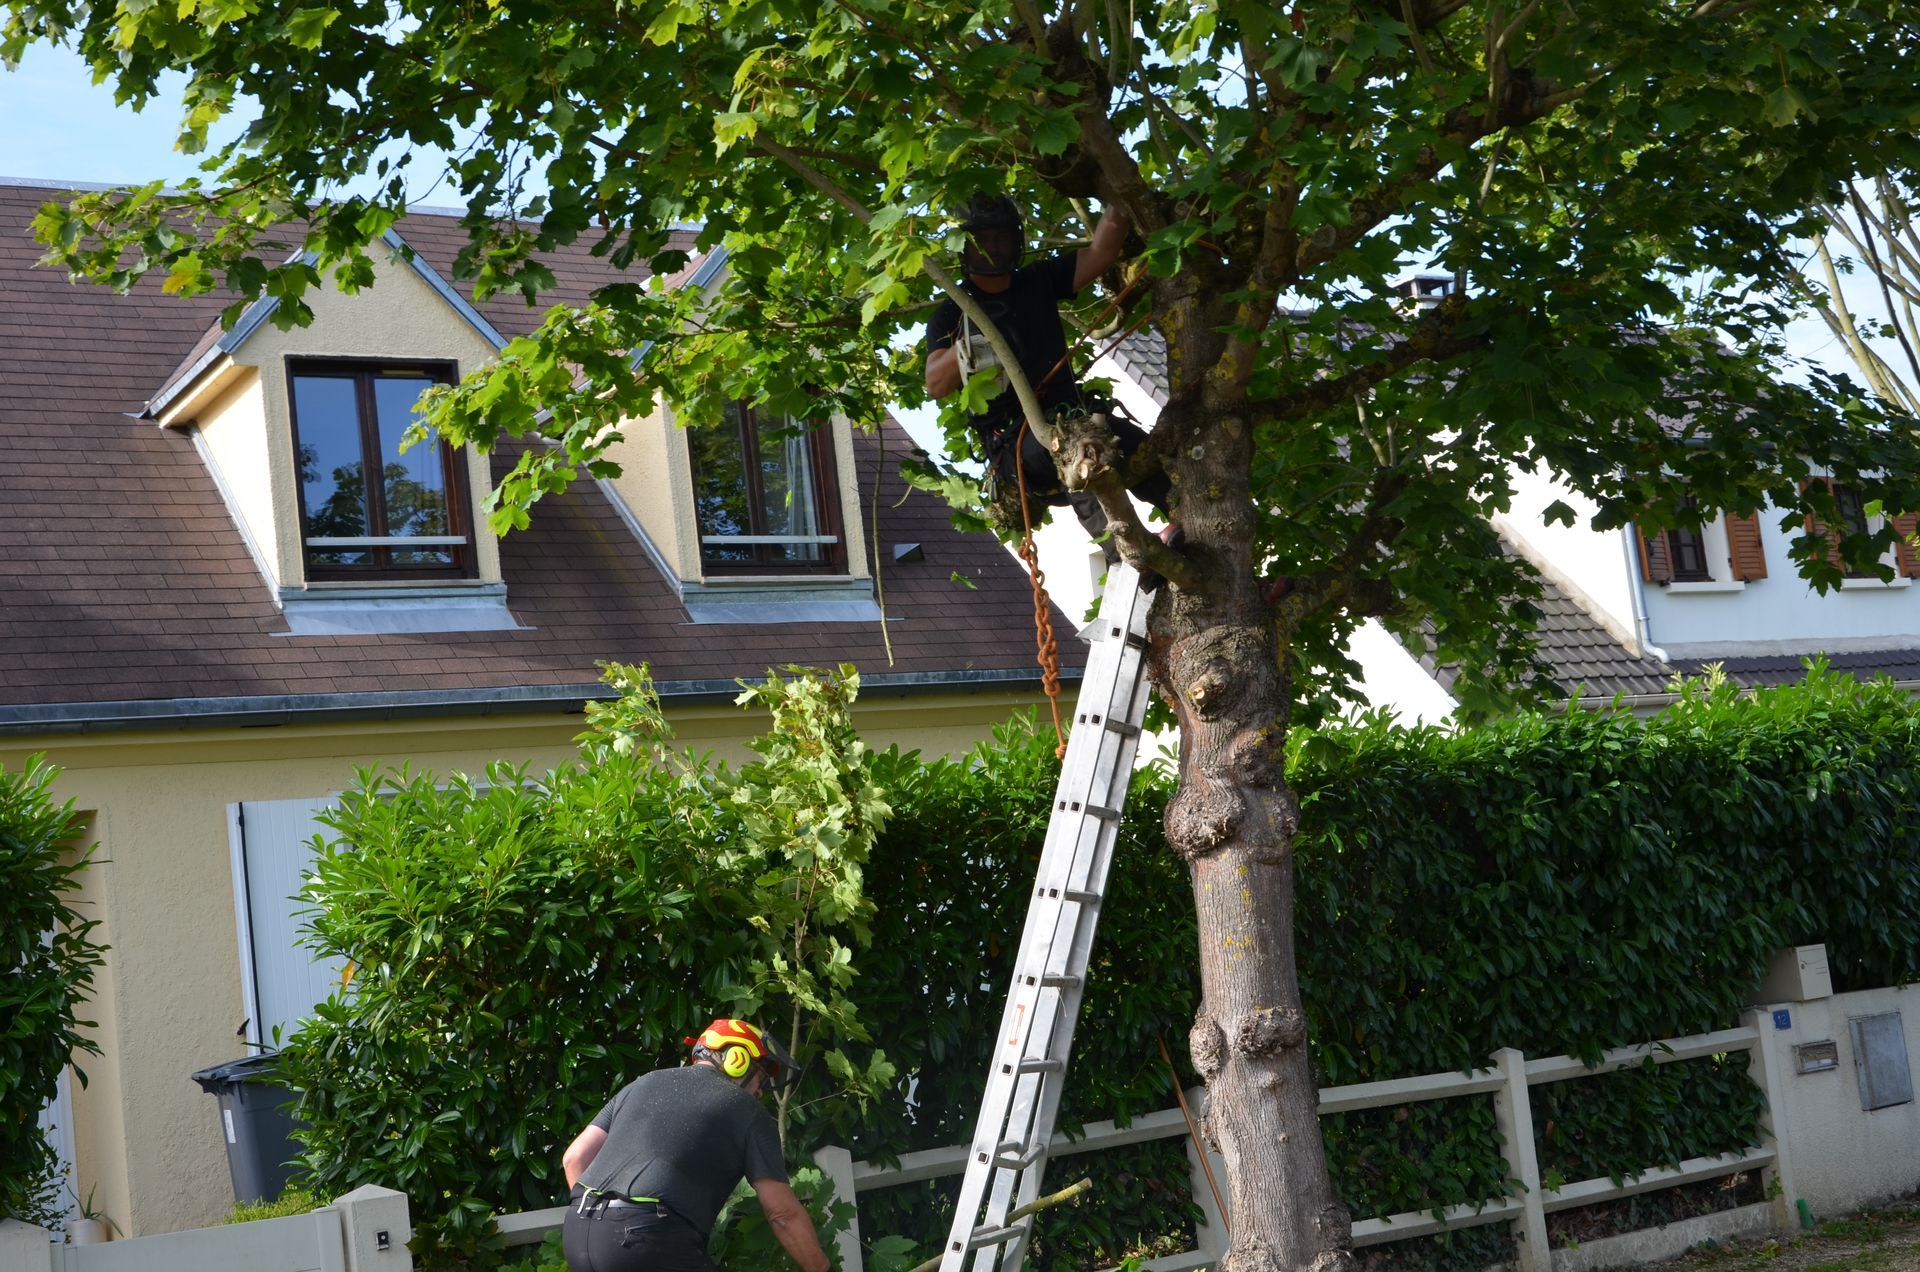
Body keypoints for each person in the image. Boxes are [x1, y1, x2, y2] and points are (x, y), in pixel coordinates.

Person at [924, 192, 1174, 562]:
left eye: (1001, 238)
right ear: (965, 247)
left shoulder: (1037, 281)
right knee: (1075, 447)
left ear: (1016, 241)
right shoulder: (953, 312)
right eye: (983, 240)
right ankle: (1125, 549)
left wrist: (1120, 196)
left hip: (1075, 420)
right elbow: (935, 384)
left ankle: (1188, 522)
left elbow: (1101, 253)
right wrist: (968, 349)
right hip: (1018, 451)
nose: (993, 248)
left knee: (1148, 449)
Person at [559, 1018, 830, 1272]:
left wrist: (606, 1220)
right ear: (737, 1059)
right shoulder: (745, 1108)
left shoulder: (642, 1083)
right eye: (760, 1077)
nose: (760, 1091)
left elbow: (575, 1158)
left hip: (578, 1233)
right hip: (646, 1239)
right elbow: (782, 1213)